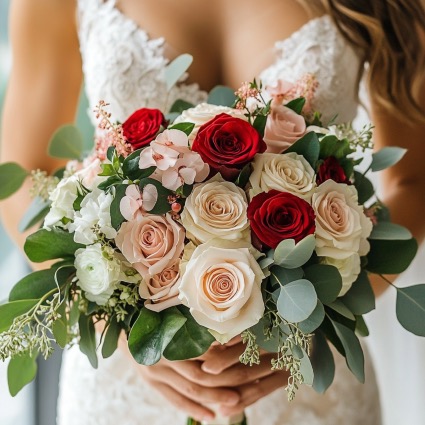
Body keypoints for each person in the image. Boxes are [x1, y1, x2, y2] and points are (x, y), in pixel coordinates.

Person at [1, 0, 425, 424]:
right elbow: (21, 172)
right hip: (130, 388)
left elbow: (414, 180)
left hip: (303, 378)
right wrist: (117, 326)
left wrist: (312, 315)